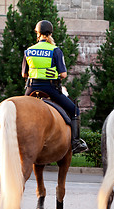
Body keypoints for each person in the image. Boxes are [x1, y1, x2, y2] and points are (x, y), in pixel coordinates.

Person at [22, 20, 88, 154]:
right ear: (50, 33)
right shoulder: (55, 50)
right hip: (50, 89)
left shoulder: (28, 51)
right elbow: (63, 74)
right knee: (74, 109)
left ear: (37, 33)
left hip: (31, 88)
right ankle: (75, 143)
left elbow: (24, 74)